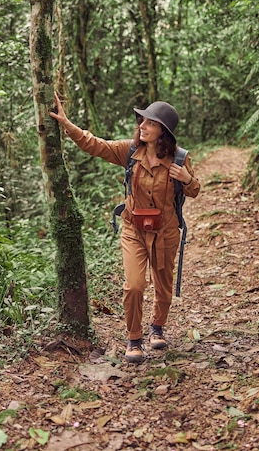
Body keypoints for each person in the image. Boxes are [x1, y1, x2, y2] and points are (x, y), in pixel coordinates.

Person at [50, 95, 200, 363]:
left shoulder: (179, 159)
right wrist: (67, 124)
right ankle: (134, 339)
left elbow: (195, 190)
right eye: (141, 120)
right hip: (133, 229)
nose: (142, 125)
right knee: (134, 285)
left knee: (163, 286)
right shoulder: (130, 151)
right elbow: (94, 144)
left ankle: (157, 327)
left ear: (162, 132)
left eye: (149, 123)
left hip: (166, 232)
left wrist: (187, 179)